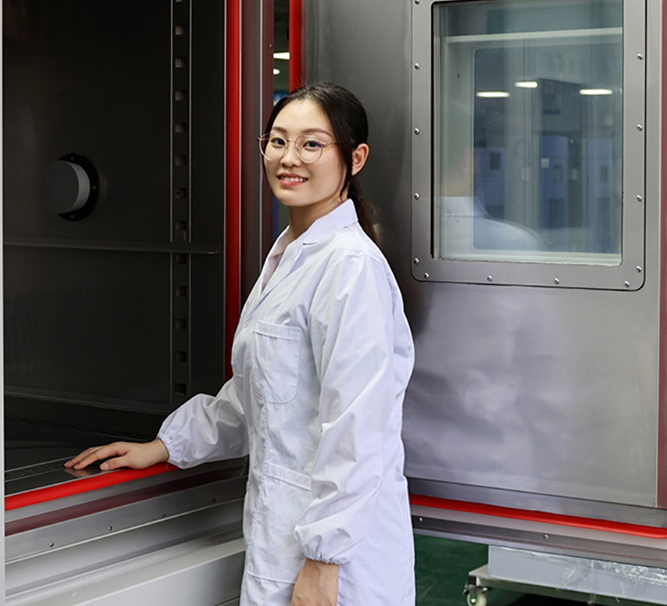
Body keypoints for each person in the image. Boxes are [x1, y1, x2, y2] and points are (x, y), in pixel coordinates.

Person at [66, 82, 416, 606]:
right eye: (277, 141)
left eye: (312, 144)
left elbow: (356, 427)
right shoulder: (292, 256)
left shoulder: (350, 267)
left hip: (342, 565)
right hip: (283, 541)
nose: (289, 158)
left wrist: (324, 560)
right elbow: (258, 396)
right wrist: (165, 446)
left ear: (356, 158)